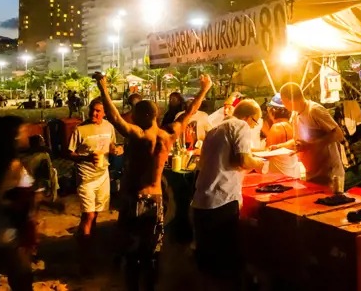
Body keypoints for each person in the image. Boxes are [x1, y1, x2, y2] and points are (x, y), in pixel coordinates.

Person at [94, 73, 212, 291]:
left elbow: (115, 118)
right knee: (151, 252)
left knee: (131, 251)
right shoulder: (169, 133)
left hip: (135, 199)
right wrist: (204, 89)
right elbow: (190, 112)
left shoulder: (139, 135)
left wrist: (103, 89)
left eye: (136, 114)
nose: (132, 117)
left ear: (144, 116)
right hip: (156, 198)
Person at [192, 99, 265, 291]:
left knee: (207, 261)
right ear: (249, 118)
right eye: (255, 121)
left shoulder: (216, 129)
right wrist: (259, 163)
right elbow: (242, 159)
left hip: (202, 202)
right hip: (222, 202)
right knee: (226, 261)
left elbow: (230, 160)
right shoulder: (240, 125)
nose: (253, 126)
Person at [68, 98, 123, 267]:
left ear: (104, 113)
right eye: (93, 110)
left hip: (103, 175)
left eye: (98, 111)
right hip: (85, 176)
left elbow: (113, 145)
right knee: (89, 214)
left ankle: (86, 238)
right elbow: (70, 153)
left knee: (96, 213)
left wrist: (117, 150)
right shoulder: (80, 129)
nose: (94, 113)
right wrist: (85, 157)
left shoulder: (109, 126)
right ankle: (85, 256)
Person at [0, 116, 34, 291]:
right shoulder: (13, 167)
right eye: (24, 131)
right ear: (14, 136)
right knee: (22, 282)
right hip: (9, 236)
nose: (28, 135)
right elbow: (8, 200)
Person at [277, 82, 344, 187]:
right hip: (312, 172)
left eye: (283, 101)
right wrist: (279, 147)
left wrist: (312, 145)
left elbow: (338, 134)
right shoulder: (295, 114)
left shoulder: (314, 111)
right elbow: (298, 141)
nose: (283, 105)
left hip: (329, 174)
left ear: (290, 99)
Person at [264, 94, 299, 178]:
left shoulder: (276, 127)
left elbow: (267, 153)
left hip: (279, 177)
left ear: (272, 111)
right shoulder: (292, 126)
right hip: (294, 174)